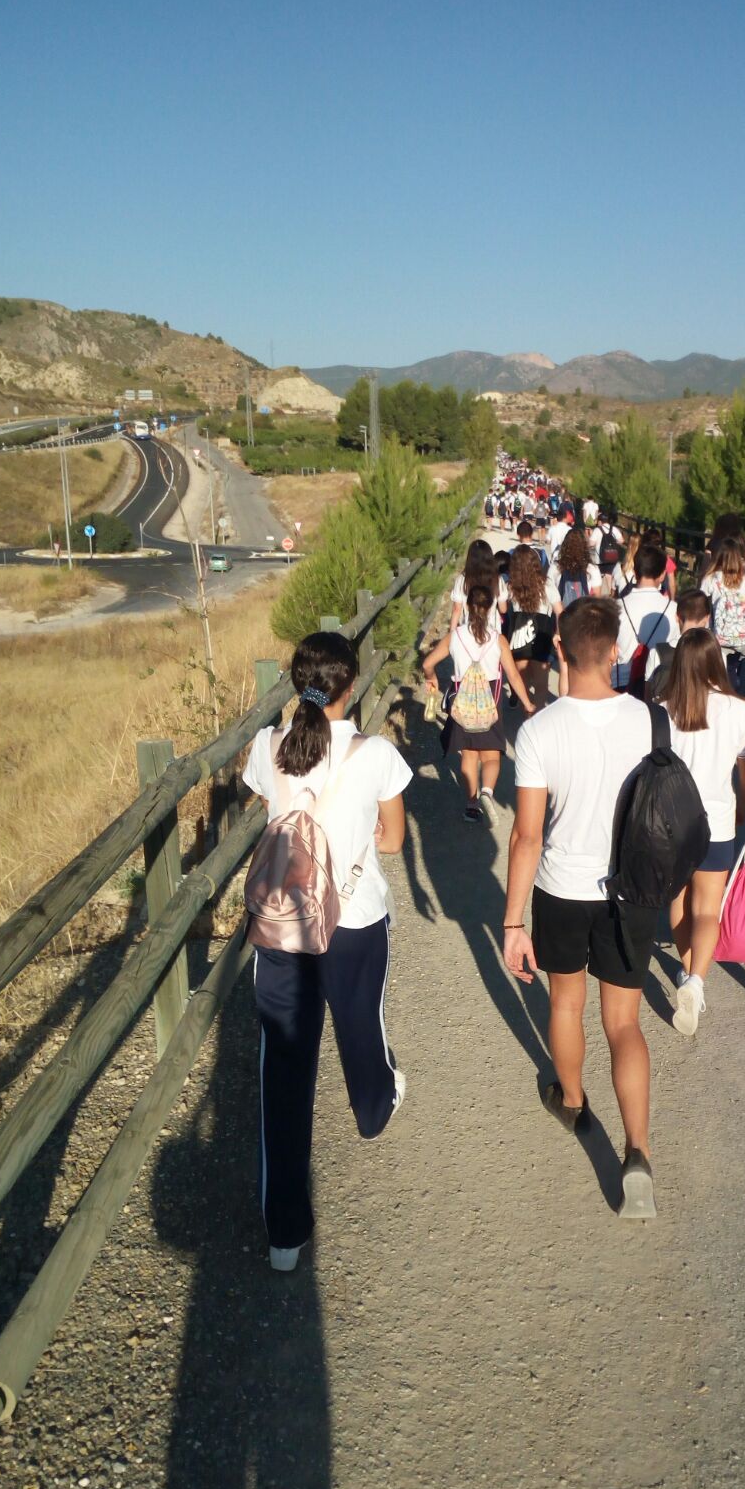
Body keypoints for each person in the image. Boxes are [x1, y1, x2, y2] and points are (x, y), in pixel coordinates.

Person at [243, 631, 411, 1272]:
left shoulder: (266, 748)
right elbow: (392, 841)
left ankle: (285, 1237)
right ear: (351, 686)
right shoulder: (376, 756)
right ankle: (373, 1108)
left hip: (284, 927)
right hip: (355, 918)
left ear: (296, 684)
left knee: (284, 1071)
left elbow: (274, 812)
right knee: (361, 1024)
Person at [504, 597, 663, 1218]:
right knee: (624, 1023)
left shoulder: (539, 731)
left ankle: (571, 1100)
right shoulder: (649, 722)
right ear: (616, 653)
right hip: (631, 891)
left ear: (562, 652)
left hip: (561, 889)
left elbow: (526, 837)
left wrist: (514, 920)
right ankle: (639, 1153)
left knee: (566, 1002)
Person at [663, 630, 745, 1035]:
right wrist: (742, 808)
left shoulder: (663, 709)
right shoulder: (739, 712)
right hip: (716, 821)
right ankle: (696, 981)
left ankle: (689, 975)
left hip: (670, 822)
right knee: (707, 909)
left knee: (678, 902)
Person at [424, 584, 534, 824]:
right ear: (491, 607)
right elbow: (513, 675)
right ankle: (487, 792)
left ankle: (472, 805)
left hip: (462, 704)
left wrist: (431, 677)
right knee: (492, 756)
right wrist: (527, 702)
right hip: (490, 704)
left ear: (467, 607)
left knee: (469, 756)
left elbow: (427, 663)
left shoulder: (455, 637)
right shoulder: (498, 639)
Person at [614, 544, 679, 694]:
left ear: (635, 572)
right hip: (659, 687)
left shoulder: (617, 607)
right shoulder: (673, 610)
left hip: (621, 685)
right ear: (663, 575)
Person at [700, 536, 745, 691]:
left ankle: (726, 689)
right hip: (741, 634)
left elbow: (704, 605)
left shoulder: (710, 578)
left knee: (720, 669)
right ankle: (734, 686)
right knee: (734, 666)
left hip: (719, 634)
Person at [505, 543, 557, 709]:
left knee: (523, 685)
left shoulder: (511, 586)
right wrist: (558, 634)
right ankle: (539, 720)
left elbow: (503, 609)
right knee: (541, 687)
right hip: (543, 634)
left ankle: (527, 716)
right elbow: (560, 611)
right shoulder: (547, 585)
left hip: (519, 635)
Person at [646, 588, 711, 701]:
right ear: (707, 618)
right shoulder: (713, 653)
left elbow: (647, 692)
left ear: (677, 617)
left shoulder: (657, 652)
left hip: (664, 716)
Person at [450, 539, 508, 634]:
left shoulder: (462, 579)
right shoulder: (497, 579)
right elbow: (503, 609)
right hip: (492, 630)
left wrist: (452, 633)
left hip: (468, 629)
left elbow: (457, 609)